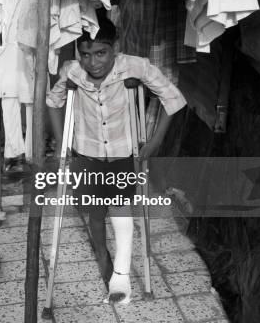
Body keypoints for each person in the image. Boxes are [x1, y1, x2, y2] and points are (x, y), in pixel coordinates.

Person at [46, 17, 187, 303]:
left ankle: (120, 276)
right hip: (86, 154)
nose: (92, 62)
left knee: (121, 209)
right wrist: (63, 143)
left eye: (101, 53)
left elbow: (173, 99)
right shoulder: (72, 71)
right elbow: (53, 101)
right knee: (95, 212)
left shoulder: (135, 66)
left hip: (123, 154)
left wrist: (155, 140)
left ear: (115, 48)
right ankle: (102, 256)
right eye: (85, 54)